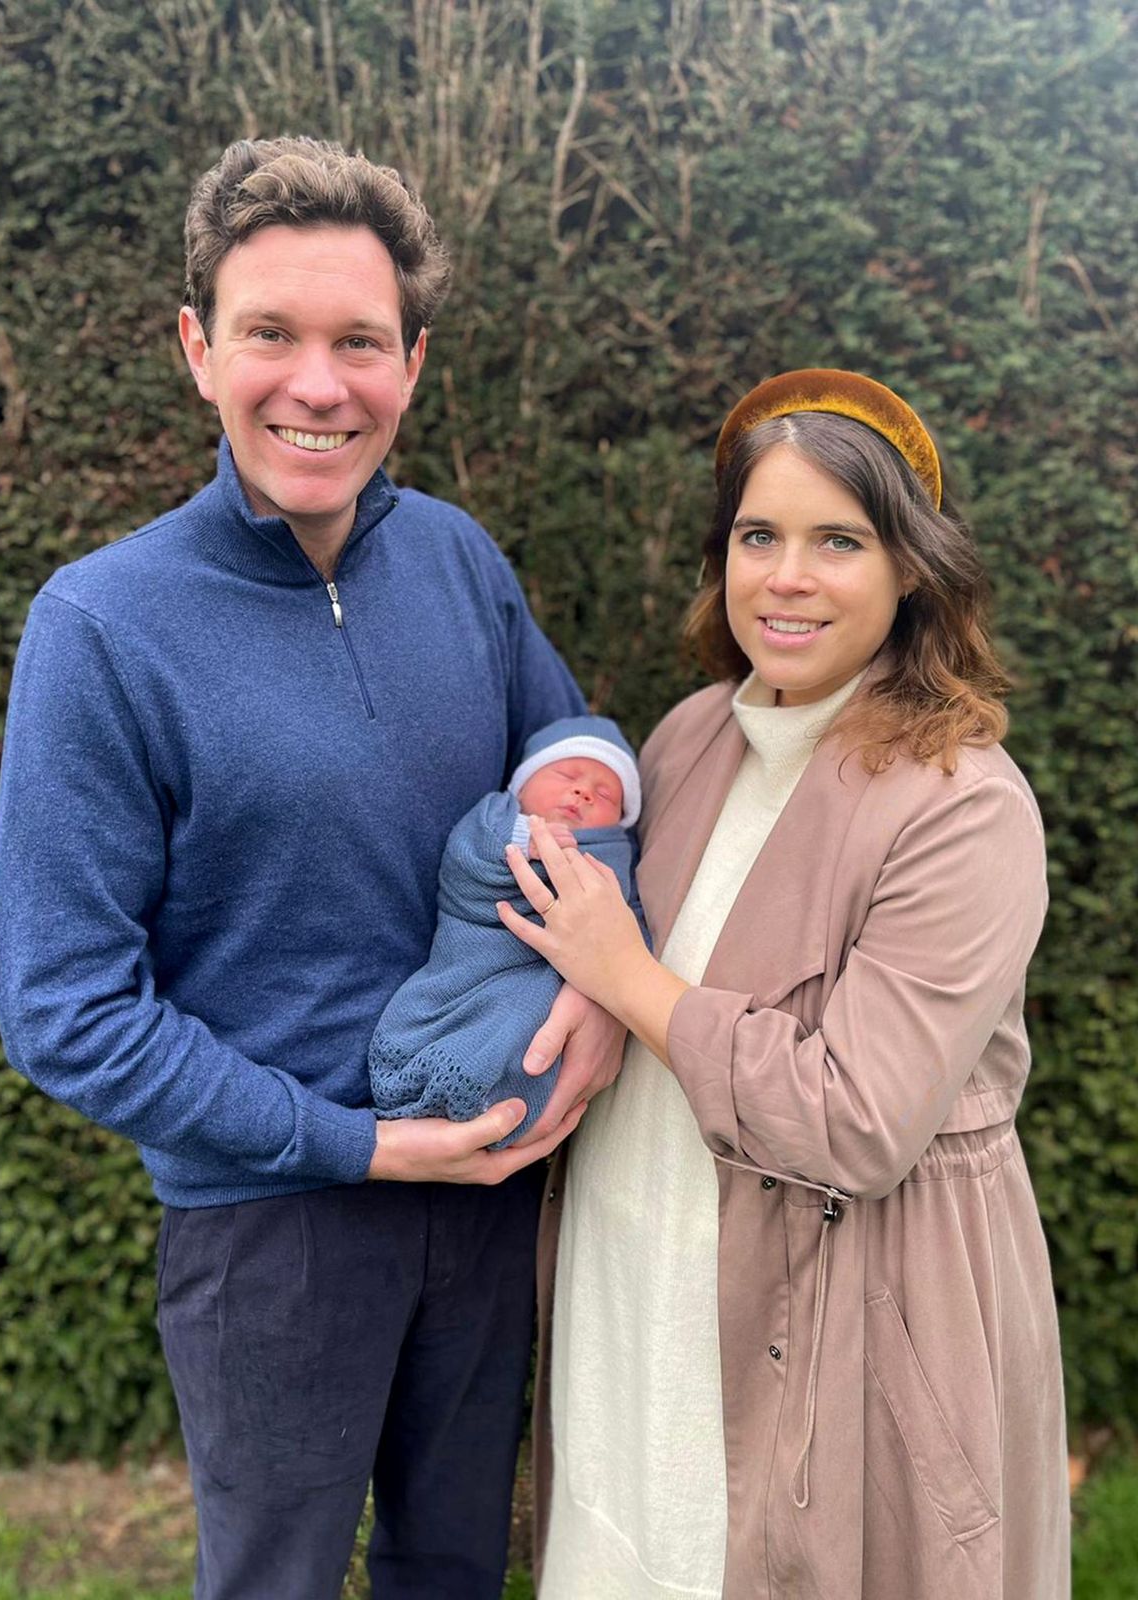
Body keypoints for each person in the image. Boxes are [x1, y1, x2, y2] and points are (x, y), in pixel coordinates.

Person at [0, 136, 626, 1600]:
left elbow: (583, 782)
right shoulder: (102, 627)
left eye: (358, 341)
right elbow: (66, 1009)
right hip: (271, 1229)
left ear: (412, 359)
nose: (317, 384)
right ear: (197, 348)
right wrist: (355, 1143)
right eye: (270, 333)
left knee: (458, 1567)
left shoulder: (462, 561)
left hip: (494, 1193)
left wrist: (607, 989)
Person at [500, 370, 1070, 1600]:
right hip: (633, 1273)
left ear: (912, 566)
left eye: (838, 542)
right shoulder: (691, 735)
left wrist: (629, 978)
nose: (788, 578)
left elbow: (853, 1120)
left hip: (844, 1313)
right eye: (760, 536)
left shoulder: (964, 807)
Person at [370, 715, 643, 1144]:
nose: (583, 792)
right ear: (523, 784)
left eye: (605, 793)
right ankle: (430, 1080)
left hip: (546, 977)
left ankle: (503, 1106)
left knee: (530, 1023)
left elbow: (631, 920)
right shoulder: (497, 815)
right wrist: (521, 841)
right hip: (481, 952)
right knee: (469, 1013)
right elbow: (464, 863)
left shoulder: (617, 854)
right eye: (567, 775)